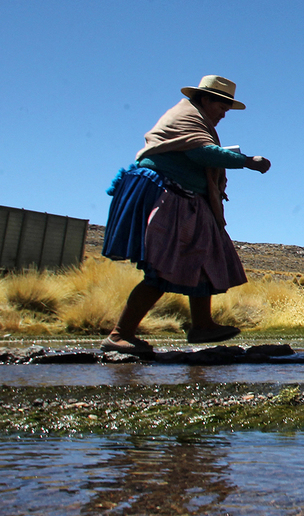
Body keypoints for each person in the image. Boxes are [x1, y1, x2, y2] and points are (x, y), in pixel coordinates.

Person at [100, 75, 272, 353]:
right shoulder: (186, 116)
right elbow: (201, 153)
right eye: (221, 106)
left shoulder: (197, 121)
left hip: (186, 198)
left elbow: (200, 152)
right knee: (163, 267)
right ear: (205, 99)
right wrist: (246, 161)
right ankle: (120, 334)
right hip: (164, 195)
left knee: (203, 258)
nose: (224, 114)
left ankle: (202, 326)